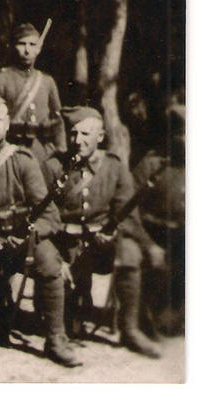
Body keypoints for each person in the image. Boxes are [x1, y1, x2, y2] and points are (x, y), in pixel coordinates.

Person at [0, 92, 80, 367]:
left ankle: (56, 339)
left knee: (49, 259)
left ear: (8, 124)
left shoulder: (22, 160)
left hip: (17, 243)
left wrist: (29, 236)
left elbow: (49, 215)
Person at [44, 106, 163, 358]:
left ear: (100, 137)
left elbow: (127, 213)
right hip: (66, 243)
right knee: (69, 316)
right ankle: (68, 314)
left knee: (130, 252)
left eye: (86, 134)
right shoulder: (54, 166)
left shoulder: (114, 167)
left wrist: (113, 233)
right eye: (73, 133)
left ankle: (129, 330)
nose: (78, 141)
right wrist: (56, 251)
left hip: (102, 246)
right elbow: (45, 214)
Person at [133, 95, 185, 334]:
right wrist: (148, 244)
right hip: (152, 233)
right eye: (180, 133)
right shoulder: (153, 164)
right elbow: (128, 207)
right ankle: (147, 318)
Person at [0, 22, 66, 164]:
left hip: (41, 151)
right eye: (22, 44)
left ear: (39, 49)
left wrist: (60, 149)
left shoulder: (46, 81)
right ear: (12, 47)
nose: (27, 50)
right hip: (9, 148)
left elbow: (57, 120)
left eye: (32, 45)